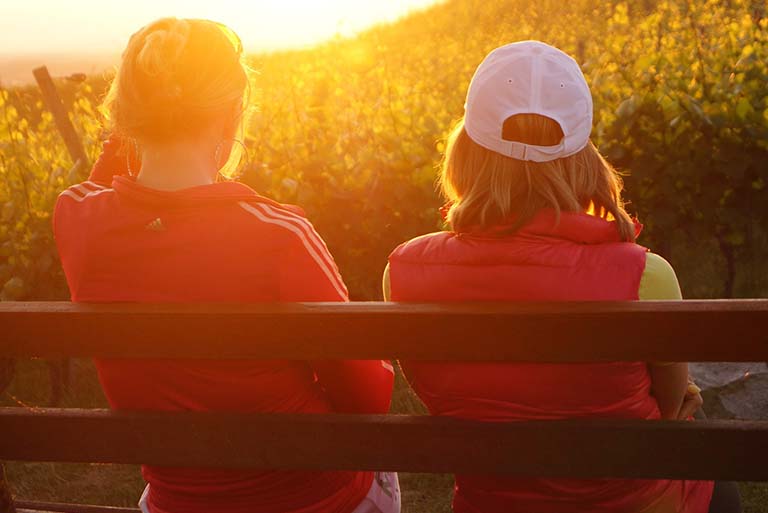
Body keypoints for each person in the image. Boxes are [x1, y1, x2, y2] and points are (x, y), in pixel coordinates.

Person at [54, 18, 398, 513]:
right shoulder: (278, 233)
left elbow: (105, 184)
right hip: (315, 499)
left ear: (125, 116)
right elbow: (369, 398)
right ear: (232, 115)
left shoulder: (79, 220)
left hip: (180, 502)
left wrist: (135, 127)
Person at [383, 41, 740, 513]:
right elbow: (672, 406)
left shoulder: (404, 272)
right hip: (634, 501)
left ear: (465, 149)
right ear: (582, 155)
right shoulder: (644, 275)